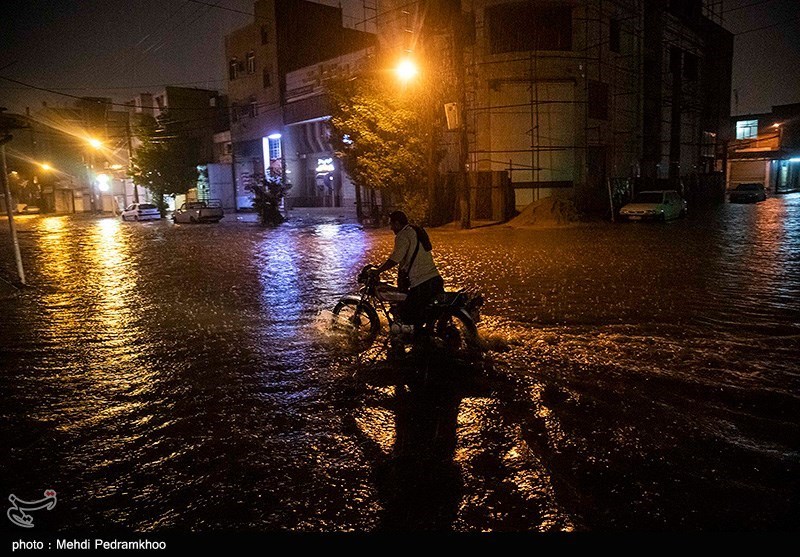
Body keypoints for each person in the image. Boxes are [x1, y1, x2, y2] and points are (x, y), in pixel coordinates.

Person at [370, 210, 444, 334]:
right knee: (422, 312)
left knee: (407, 315)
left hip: (421, 283)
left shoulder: (402, 236)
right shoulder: (417, 230)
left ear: (397, 223)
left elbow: (395, 259)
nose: (391, 228)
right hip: (435, 279)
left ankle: (413, 338)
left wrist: (378, 271)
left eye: (392, 224)